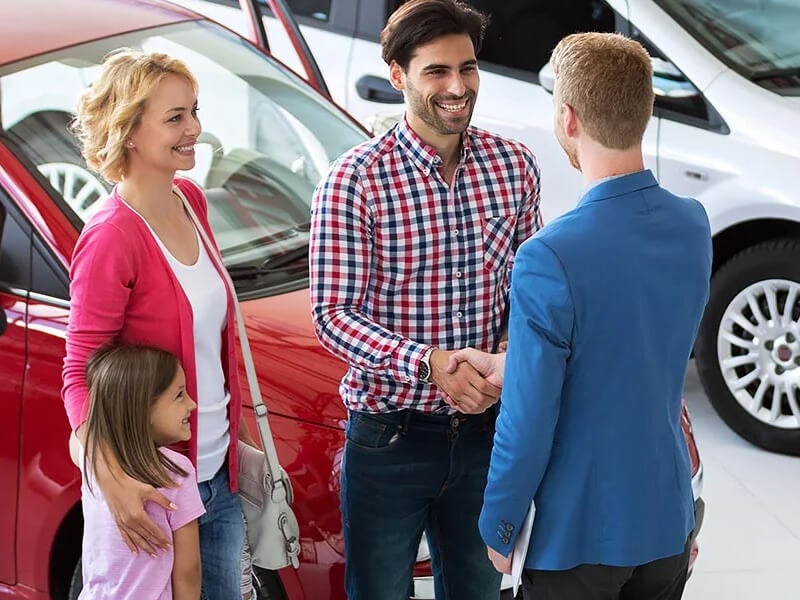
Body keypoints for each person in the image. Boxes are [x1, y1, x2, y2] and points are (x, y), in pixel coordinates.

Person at [448, 32, 713, 600]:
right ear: (645, 111)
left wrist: (500, 520)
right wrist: (513, 364)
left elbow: (528, 417)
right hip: (665, 517)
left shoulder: (549, 255)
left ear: (567, 119)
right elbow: (630, 342)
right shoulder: (693, 225)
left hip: (577, 537)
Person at [308, 0, 542, 597]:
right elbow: (333, 317)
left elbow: (532, 290)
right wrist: (431, 364)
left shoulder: (513, 166)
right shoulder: (354, 180)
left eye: (467, 69)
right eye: (436, 71)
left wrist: (508, 356)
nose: (457, 87)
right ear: (397, 74)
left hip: (490, 432)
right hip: (389, 438)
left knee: (481, 590)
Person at [62, 49, 257, 599]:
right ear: (128, 132)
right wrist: (112, 481)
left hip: (217, 476)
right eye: (175, 118)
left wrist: (239, 446)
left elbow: (212, 349)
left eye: (195, 111)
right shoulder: (110, 238)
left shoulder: (190, 198)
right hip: (157, 492)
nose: (196, 128)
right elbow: (79, 372)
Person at [77, 344, 204, 599]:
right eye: (179, 395)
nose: (191, 404)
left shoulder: (91, 463)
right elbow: (188, 570)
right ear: (143, 408)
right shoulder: (176, 472)